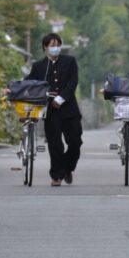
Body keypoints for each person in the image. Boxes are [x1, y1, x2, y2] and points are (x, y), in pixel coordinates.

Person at [24, 33, 82, 186]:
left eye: (58, 45)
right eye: (52, 45)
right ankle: (56, 175)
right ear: (45, 47)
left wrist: (61, 98)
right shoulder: (39, 66)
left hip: (69, 108)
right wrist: (11, 89)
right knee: (55, 144)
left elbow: (73, 81)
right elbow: (28, 82)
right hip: (50, 110)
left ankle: (67, 167)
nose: (55, 48)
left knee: (75, 142)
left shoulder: (69, 61)